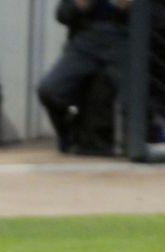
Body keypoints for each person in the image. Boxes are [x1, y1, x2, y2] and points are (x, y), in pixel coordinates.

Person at [38, 0, 131, 152]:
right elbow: (62, 14)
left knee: (134, 97)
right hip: (86, 38)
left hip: (126, 37)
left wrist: (133, 8)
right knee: (50, 90)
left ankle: (141, 143)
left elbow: (162, 17)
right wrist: (79, 5)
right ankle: (69, 133)